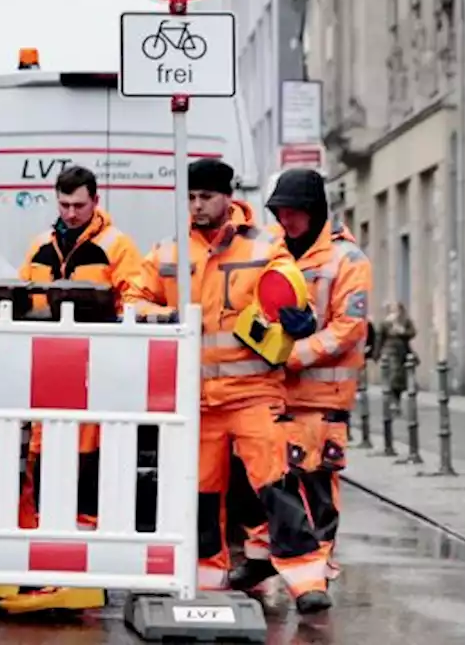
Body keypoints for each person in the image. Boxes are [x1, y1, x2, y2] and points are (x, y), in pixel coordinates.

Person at [124, 158, 331, 614]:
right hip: (195, 400)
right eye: (191, 198)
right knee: (201, 496)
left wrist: (302, 319)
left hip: (253, 394)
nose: (197, 206)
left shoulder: (265, 247)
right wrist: (167, 317)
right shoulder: (168, 253)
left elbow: (293, 296)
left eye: (206, 197)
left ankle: (307, 580)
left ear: (227, 197)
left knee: (277, 486)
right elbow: (134, 300)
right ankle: (208, 582)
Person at [228, 168, 371, 592]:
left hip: (321, 398)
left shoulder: (348, 260)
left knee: (313, 484)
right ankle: (260, 558)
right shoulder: (274, 253)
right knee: (264, 480)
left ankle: (316, 571)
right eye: (280, 212)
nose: (286, 221)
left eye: (294, 213)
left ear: (315, 212)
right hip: (271, 393)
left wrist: (295, 352)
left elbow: (351, 325)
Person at [11, 165, 144, 612]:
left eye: (79, 205)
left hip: (94, 373)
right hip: (48, 373)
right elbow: (24, 296)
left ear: (95, 201)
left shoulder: (117, 246)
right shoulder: (38, 246)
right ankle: (49, 560)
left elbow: (135, 301)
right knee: (43, 463)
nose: (70, 213)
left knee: (87, 467)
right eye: (64, 204)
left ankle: (84, 564)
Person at [378, 302, 416, 413]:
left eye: (398, 310)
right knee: (392, 377)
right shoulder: (385, 323)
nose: (396, 313)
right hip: (389, 353)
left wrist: (403, 331)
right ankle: (393, 402)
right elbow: (380, 338)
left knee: (399, 380)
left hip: (402, 353)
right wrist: (377, 354)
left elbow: (412, 332)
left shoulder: (405, 321)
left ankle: (396, 401)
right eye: (394, 311)